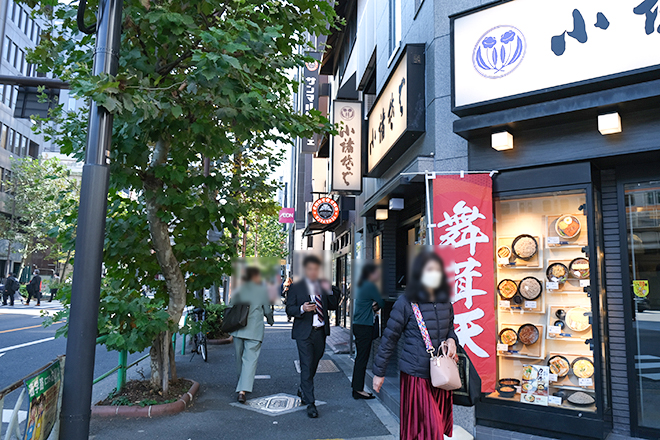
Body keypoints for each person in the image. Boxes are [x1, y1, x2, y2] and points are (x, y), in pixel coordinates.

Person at [372, 251, 458, 440]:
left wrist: (452, 340)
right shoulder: (406, 302)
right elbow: (389, 339)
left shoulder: (444, 300)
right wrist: (379, 373)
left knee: (433, 428)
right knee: (429, 431)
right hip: (416, 374)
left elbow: (450, 329)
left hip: (441, 376)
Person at [286, 255, 338, 418]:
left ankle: (303, 388)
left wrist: (333, 289)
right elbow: (289, 309)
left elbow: (333, 306)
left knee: (314, 362)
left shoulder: (322, 285)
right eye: (311, 269)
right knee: (307, 365)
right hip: (304, 333)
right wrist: (302, 308)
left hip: (320, 332)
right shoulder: (296, 287)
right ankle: (311, 403)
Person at [230, 267, 274, 404]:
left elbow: (230, 306)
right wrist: (271, 321)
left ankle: (241, 384)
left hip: (238, 329)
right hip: (254, 330)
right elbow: (267, 310)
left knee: (239, 358)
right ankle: (242, 390)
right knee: (250, 360)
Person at [351, 263, 384, 399]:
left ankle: (356, 388)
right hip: (364, 326)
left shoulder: (361, 285)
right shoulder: (371, 286)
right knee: (362, 359)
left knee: (360, 357)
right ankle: (358, 390)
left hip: (358, 325)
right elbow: (382, 302)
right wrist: (375, 305)